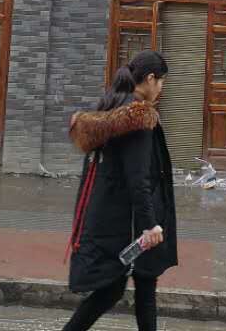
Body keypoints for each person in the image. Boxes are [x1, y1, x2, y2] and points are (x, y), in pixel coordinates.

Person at [62, 50, 177, 331]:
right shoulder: (138, 117)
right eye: (161, 81)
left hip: (109, 215)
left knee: (133, 287)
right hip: (130, 222)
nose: (161, 88)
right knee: (127, 289)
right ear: (150, 79)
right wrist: (150, 225)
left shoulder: (112, 106)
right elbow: (138, 178)